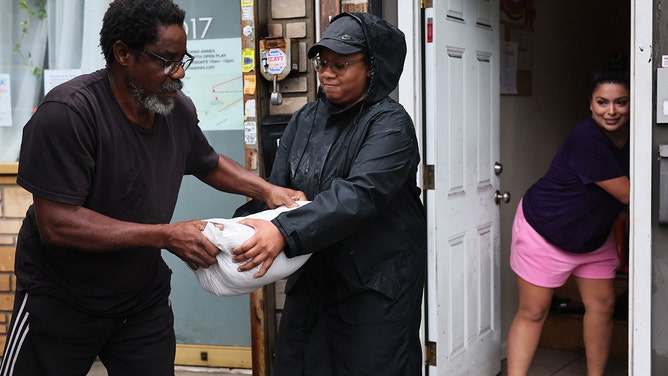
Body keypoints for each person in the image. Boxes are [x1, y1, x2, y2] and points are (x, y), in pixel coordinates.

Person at [0, 0, 305, 375]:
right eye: (166, 61)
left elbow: (207, 161)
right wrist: (165, 235)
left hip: (139, 301)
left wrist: (268, 191)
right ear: (123, 53)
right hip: (61, 300)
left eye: (183, 60)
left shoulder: (175, 109)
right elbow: (57, 223)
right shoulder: (68, 114)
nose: (178, 73)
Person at [231, 12, 427, 375]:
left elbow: (358, 195)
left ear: (373, 67)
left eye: (342, 63)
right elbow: (277, 192)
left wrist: (284, 232)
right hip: (313, 282)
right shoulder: (304, 119)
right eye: (323, 62)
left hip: (373, 287)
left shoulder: (391, 125)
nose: (327, 72)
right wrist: (230, 234)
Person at [506, 55, 630, 376]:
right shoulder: (585, 139)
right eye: (602, 102)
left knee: (602, 306)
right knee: (534, 311)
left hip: (591, 237)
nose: (611, 111)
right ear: (590, 104)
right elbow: (630, 194)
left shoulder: (637, 139)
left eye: (621, 102)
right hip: (544, 231)